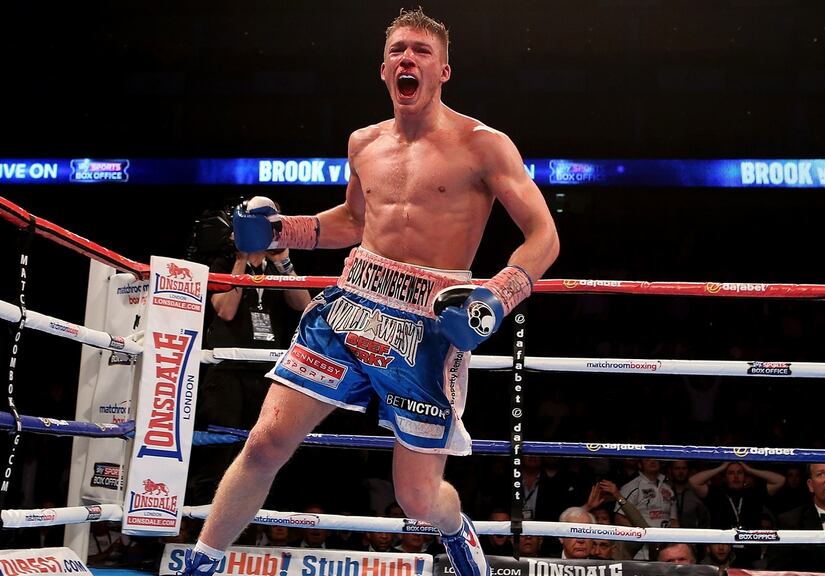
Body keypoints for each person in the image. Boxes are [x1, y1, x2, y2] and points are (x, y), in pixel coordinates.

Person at [183, 8, 559, 576]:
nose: (408, 58)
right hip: (354, 302)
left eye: (422, 51)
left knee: (417, 498)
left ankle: (456, 530)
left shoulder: (483, 144)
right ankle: (200, 566)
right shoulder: (363, 142)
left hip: (429, 322)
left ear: (444, 71)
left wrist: (496, 297)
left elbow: (544, 236)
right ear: (384, 69)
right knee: (264, 444)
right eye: (398, 51)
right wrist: (282, 229)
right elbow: (355, 222)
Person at [188, 203, 311, 504]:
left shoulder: (276, 267)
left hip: (267, 373)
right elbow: (226, 311)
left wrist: (284, 263)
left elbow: (303, 305)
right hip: (228, 372)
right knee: (219, 450)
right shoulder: (222, 263)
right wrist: (241, 259)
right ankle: (203, 520)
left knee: (265, 448)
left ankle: (255, 522)